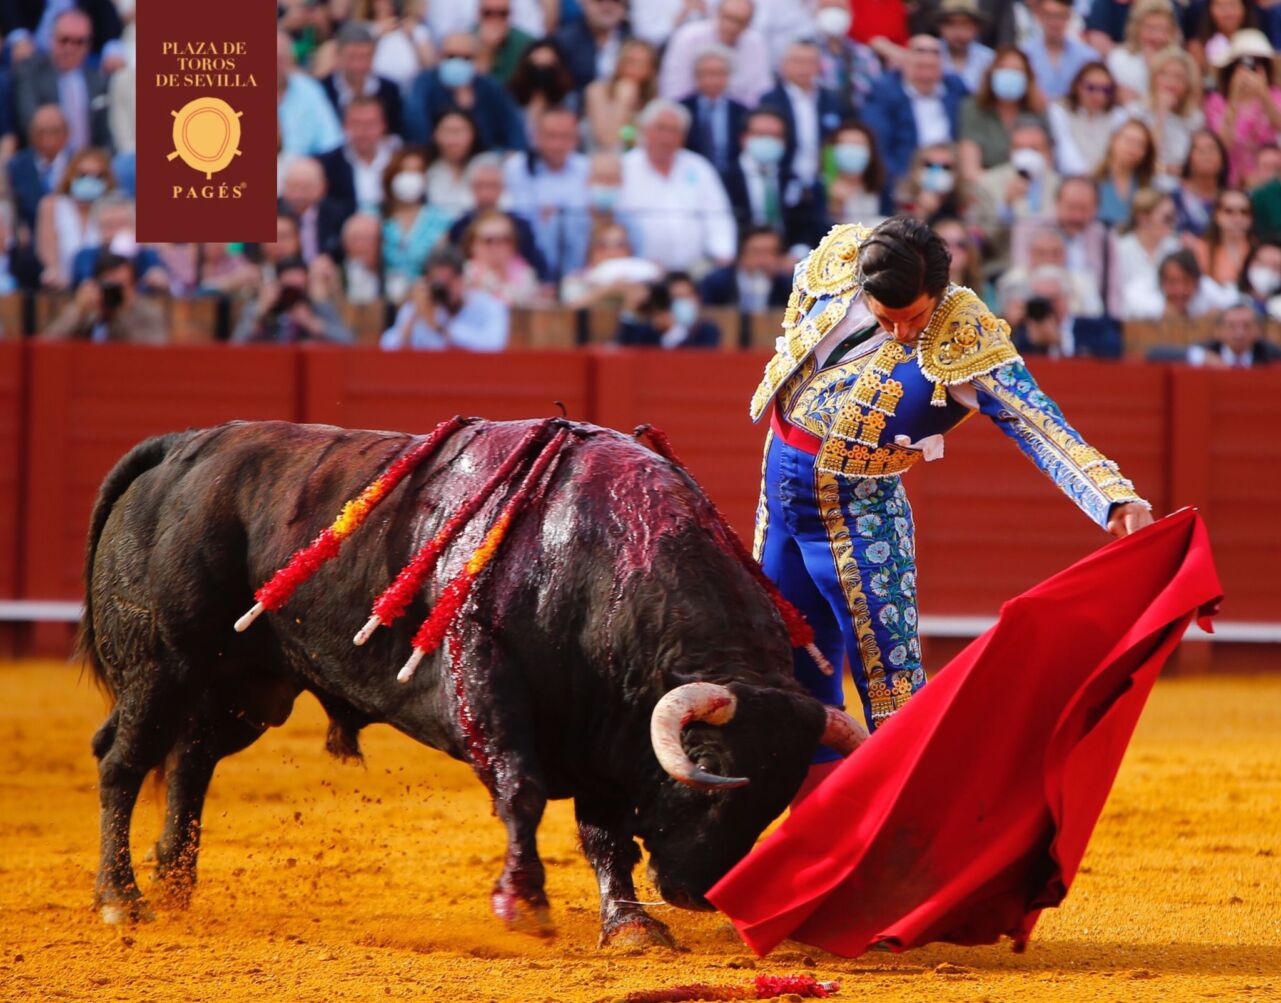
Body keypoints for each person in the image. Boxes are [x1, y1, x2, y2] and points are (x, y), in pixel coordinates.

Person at [749, 216, 1151, 744]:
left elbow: (1038, 423)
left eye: (914, 317)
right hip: (779, 500)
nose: (902, 332)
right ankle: (817, 819)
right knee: (788, 669)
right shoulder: (839, 264)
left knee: (894, 698)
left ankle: (905, 823)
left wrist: (1113, 497)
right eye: (886, 316)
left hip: (859, 521)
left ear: (939, 292)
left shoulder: (966, 333)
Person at [617, 99, 736, 273]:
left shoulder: (699, 167)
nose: (667, 138)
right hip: (640, 271)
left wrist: (723, 254)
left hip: (695, 271)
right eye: (661, 128)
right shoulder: (624, 168)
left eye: (674, 131)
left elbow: (718, 215)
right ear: (645, 130)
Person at [861, 34, 968, 190]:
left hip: (952, 177)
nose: (926, 75)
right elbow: (879, 145)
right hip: (904, 177)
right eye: (920, 66)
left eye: (931, 66)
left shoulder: (955, 88)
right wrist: (904, 182)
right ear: (905, 61)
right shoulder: (884, 91)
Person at [404, 32, 526, 152]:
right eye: (451, 56)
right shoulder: (425, 83)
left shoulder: (488, 86)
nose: (458, 62)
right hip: (435, 157)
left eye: (465, 58)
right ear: (440, 56)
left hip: (483, 158)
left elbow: (512, 126)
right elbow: (416, 123)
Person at [12, 9, 110, 152]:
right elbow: (29, 123)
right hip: (44, 161)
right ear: (52, 39)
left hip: (87, 166)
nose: (70, 48)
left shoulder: (98, 80)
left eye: (79, 42)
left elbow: (105, 134)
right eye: (64, 40)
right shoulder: (30, 72)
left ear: (88, 45)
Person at [381, 246, 509, 351]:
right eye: (438, 283)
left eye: (449, 281)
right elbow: (387, 347)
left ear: (462, 279)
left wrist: (441, 329)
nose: (444, 289)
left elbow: (494, 346)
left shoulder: (488, 306)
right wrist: (414, 318)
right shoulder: (420, 305)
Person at [957, 46, 1048, 181]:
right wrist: (1001, 188)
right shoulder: (973, 109)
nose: (1009, 74)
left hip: (1031, 188)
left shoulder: (1037, 110)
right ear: (991, 74)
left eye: (1017, 71)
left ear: (1027, 78)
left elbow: (1047, 163)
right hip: (984, 189)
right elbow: (970, 169)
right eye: (1003, 69)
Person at [657, 0, 772, 107]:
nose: (731, 25)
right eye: (727, 17)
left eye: (739, 21)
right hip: (691, 112)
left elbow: (760, 91)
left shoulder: (756, 43)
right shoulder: (688, 36)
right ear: (717, 13)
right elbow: (673, 89)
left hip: (738, 117)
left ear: (748, 23)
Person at [1204, 29, 1281, 187]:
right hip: (1231, 182)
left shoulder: (1276, 95)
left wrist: (1263, 95)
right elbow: (1220, 146)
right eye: (1243, 63)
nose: (1249, 70)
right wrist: (1233, 100)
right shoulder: (1216, 101)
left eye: (1256, 63)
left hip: (1271, 182)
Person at [379, 146, 455, 304]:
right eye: (404, 171)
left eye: (416, 171)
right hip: (382, 299)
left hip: (426, 299)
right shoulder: (377, 218)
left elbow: (439, 264)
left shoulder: (440, 220)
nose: (410, 178)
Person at [42, 252, 166, 344]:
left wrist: (116, 315)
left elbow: (152, 353)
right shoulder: (88, 311)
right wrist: (79, 311)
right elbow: (48, 344)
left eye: (121, 286)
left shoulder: (148, 314)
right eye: (108, 286)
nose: (113, 292)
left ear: (134, 286)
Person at [231, 256, 354, 344]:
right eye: (289, 290)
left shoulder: (318, 306)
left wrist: (312, 323)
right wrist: (260, 313)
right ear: (278, 284)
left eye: (298, 290)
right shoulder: (262, 307)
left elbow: (349, 341)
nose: (293, 296)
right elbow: (236, 345)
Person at [1126, 46, 1204, 184]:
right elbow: (1142, 160)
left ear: (1188, 84)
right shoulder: (1136, 111)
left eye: (1178, 77)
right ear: (1153, 78)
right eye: (1164, 74)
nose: (1170, 82)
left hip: (1181, 187)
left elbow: (1193, 167)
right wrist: (1161, 115)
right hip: (1144, 183)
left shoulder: (1195, 119)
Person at [317, 95, 400, 218]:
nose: (363, 131)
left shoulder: (399, 160)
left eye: (370, 124)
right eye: (356, 124)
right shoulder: (326, 165)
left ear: (383, 125)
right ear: (344, 125)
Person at [320, 21, 404, 137]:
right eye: (352, 57)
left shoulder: (390, 90)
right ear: (338, 56)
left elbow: (396, 135)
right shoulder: (320, 90)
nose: (359, 65)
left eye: (365, 57)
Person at [1046, 61, 1127, 177]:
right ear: (1078, 86)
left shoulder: (1119, 116)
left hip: (1104, 180)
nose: (1099, 95)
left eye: (1106, 90)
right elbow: (1066, 148)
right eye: (1091, 88)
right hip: (1070, 180)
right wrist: (1085, 178)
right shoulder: (1059, 111)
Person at [679, 46, 750, 177]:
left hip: (732, 179)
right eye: (706, 73)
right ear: (696, 76)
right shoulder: (680, 109)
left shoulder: (742, 112)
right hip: (691, 177)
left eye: (719, 73)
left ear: (728, 76)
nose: (712, 79)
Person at [585, 37, 660, 152]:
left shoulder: (653, 105)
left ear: (650, 70)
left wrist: (629, 129)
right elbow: (606, 141)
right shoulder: (597, 91)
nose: (635, 69)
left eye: (642, 64)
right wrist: (623, 99)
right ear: (619, 63)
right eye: (630, 61)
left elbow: (634, 142)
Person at [460, 208, 544, 308]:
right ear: (472, 245)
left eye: (504, 240)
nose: (496, 247)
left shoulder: (527, 277)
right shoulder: (463, 277)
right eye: (489, 241)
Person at [616, 272, 721, 348]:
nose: (682, 303)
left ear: (697, 299)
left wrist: (674, 330)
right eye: (676, 298)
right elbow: (626, 349)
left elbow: (701, 362)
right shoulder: (649, 331)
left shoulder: (707, 330)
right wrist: (630, 307)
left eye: (686, 297)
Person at [699, 226, 793, 311]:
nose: (764, 261)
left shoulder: (790, 288)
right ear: (742, 255)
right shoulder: (716, 283)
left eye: (771, 253)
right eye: (757, 252)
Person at [8, 104, 71, 230]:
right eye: (41, 132)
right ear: (31, 135)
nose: (48, 139)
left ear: (67, 134)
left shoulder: (78, 163)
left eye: (54, 132)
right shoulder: (16, 167)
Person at [1022, 0, 1100, 100]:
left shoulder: (1088, 57)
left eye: (1060, 16)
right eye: (1049, 15)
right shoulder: (1025, 54)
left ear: (1069, 17)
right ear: (1039, 16)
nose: (1054, 22)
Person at [551, 0, 632, 93]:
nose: (607, 7)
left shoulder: (632, 40)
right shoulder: (565, 41)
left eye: (616, 1)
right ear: (584, 3)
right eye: (599, 1)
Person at [826, 121, 891, 224]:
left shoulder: (882, 189)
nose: (853, 150)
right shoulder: (820, 190)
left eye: (858, 145)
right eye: (847, 145)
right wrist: (835, 205)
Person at [1185, 299, 1281, 366]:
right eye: (1232, 326)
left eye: (1247, 326)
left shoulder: (1270, 354)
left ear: (1258, 331)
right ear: (1218, 331)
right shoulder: (1205, 351)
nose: (1239, 333)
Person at [935, 0, 995, 93]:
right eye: (951, 24)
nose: (958, 31)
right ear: (940, 27)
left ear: (976, 28)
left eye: (964, 24)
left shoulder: (989, 59)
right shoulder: (929, 54)